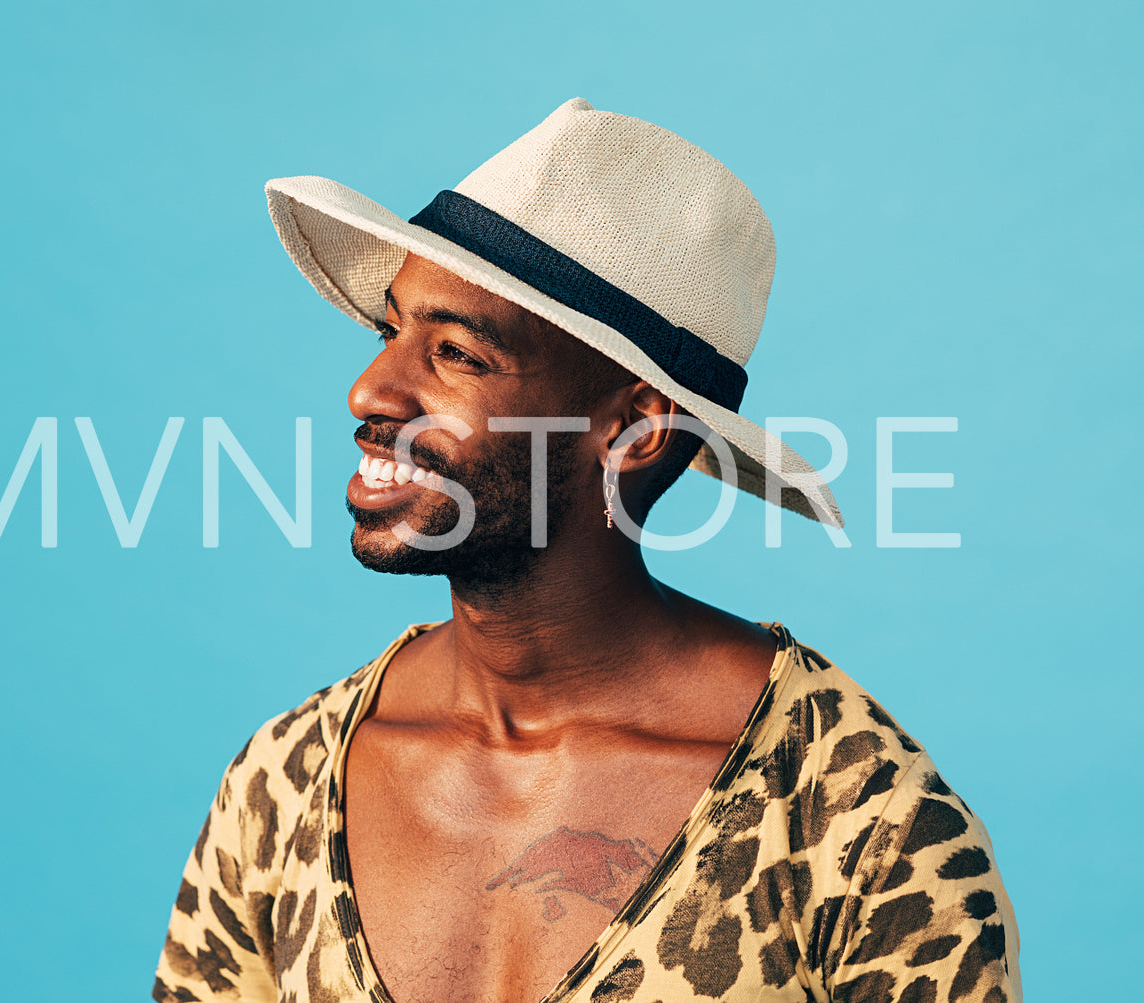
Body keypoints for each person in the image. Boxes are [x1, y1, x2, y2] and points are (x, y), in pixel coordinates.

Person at [152, 99, 1019, 1003]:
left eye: (454, 353)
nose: (370, 388)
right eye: (388, 330)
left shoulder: (848, 810)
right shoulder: (284, 785)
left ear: (636, 429)